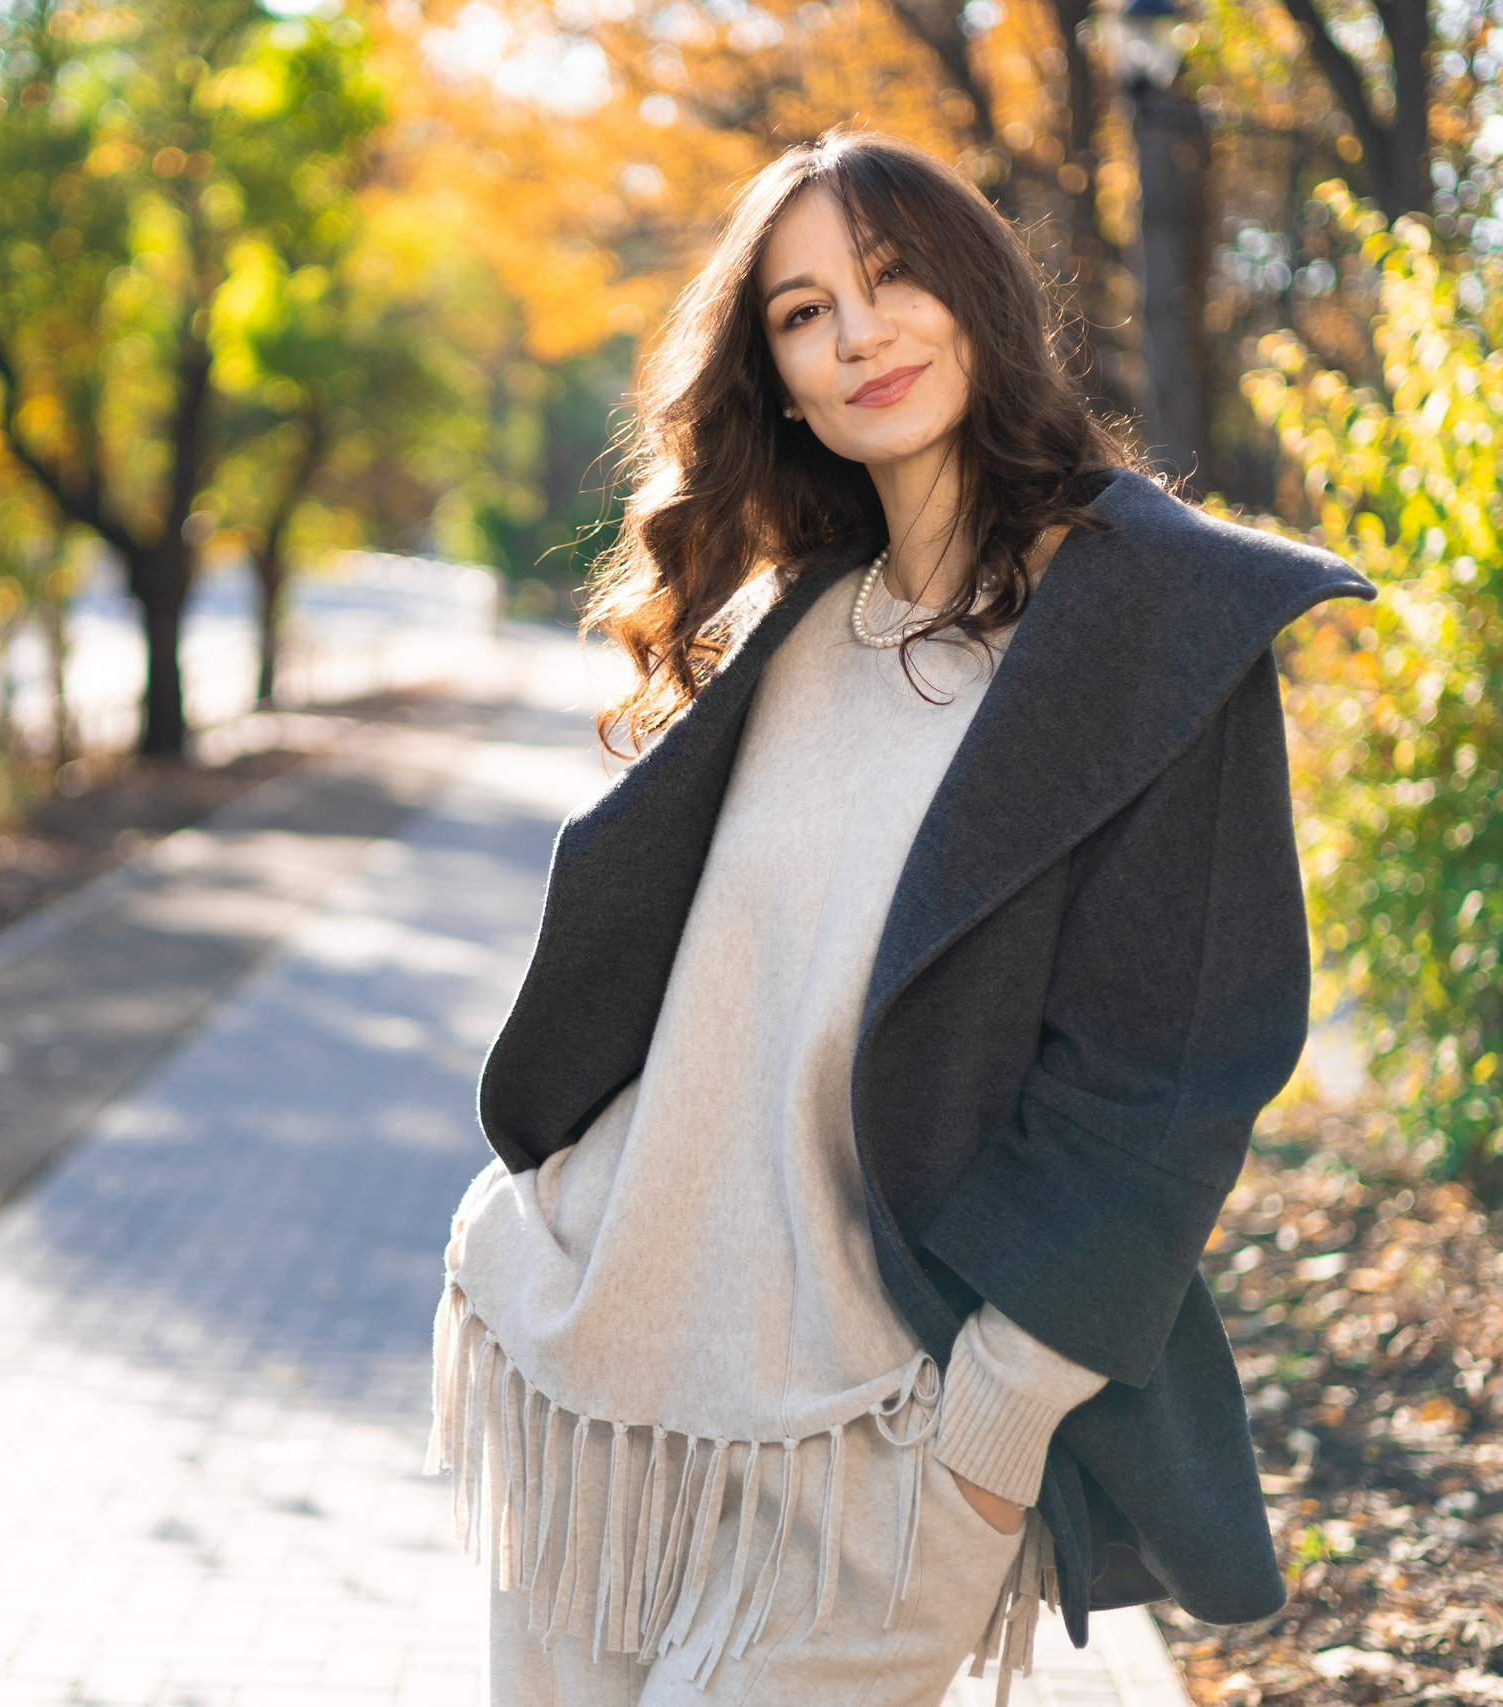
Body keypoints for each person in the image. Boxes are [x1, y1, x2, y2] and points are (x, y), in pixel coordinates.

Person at [424, 127, 1375, 1705]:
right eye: (802, 314)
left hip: (886, 1439)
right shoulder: (789, 616)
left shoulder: (1156, 622)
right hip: (603, 1379)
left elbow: (1177, 1069)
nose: (858, 334)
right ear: (777, 378)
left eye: (890, 275)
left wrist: (995, 1435)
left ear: (978, 292)